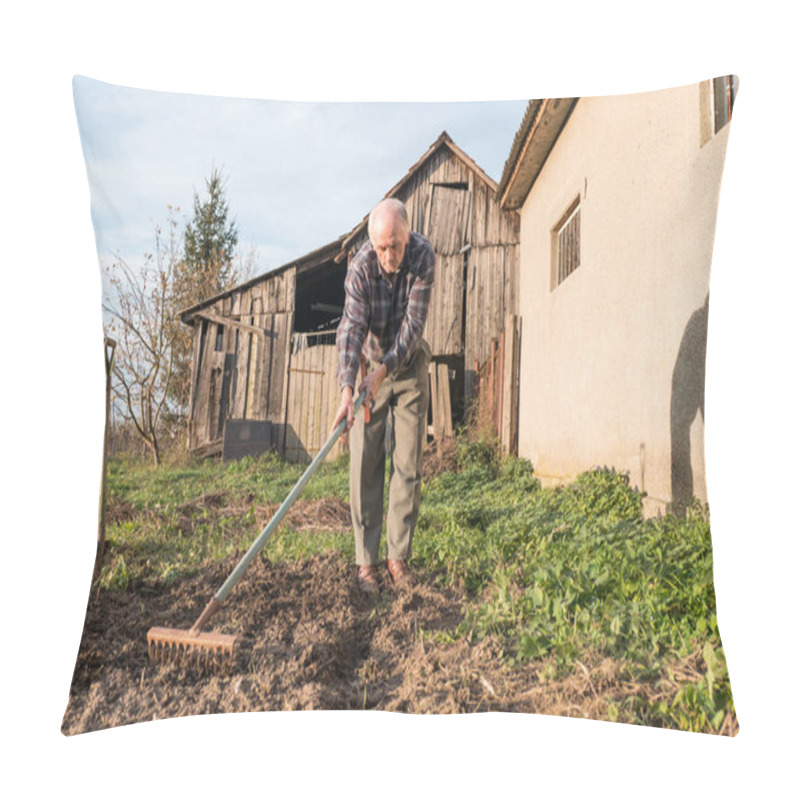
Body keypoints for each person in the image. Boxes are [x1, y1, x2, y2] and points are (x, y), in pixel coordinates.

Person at [332, 198, 435, 594]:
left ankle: (397, 558)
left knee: (407, 462)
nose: (388, 255)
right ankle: (366, 563)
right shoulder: (360, 267)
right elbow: (351, 327)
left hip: (406, 367)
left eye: (394, 245)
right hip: (367, 373)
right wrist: (347, 388)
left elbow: (413, 327)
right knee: (365, 463)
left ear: (408, 236)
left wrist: (385, 371)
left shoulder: (423, 257)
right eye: (381, 247)